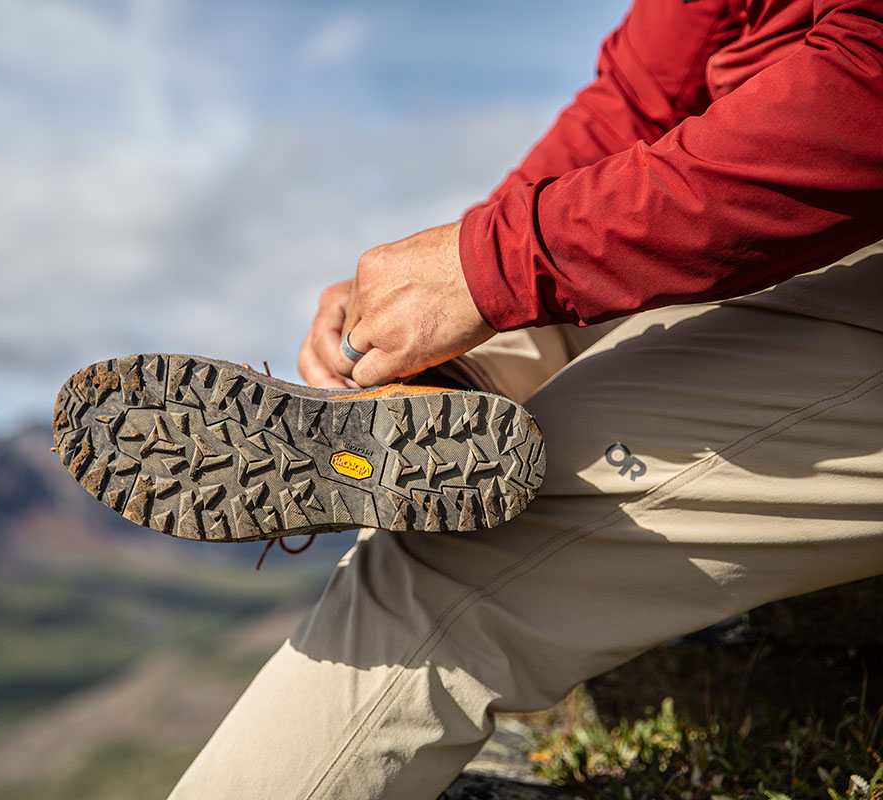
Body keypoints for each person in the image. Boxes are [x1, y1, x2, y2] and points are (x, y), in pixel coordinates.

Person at [164, 1, 883, 797]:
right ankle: (412, 395)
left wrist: (492, 263)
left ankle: (402, 425)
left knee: (441, 574)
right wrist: (441, 283)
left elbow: (864, 90)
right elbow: (639, 98)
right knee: (492, 325)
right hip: (796, 218)